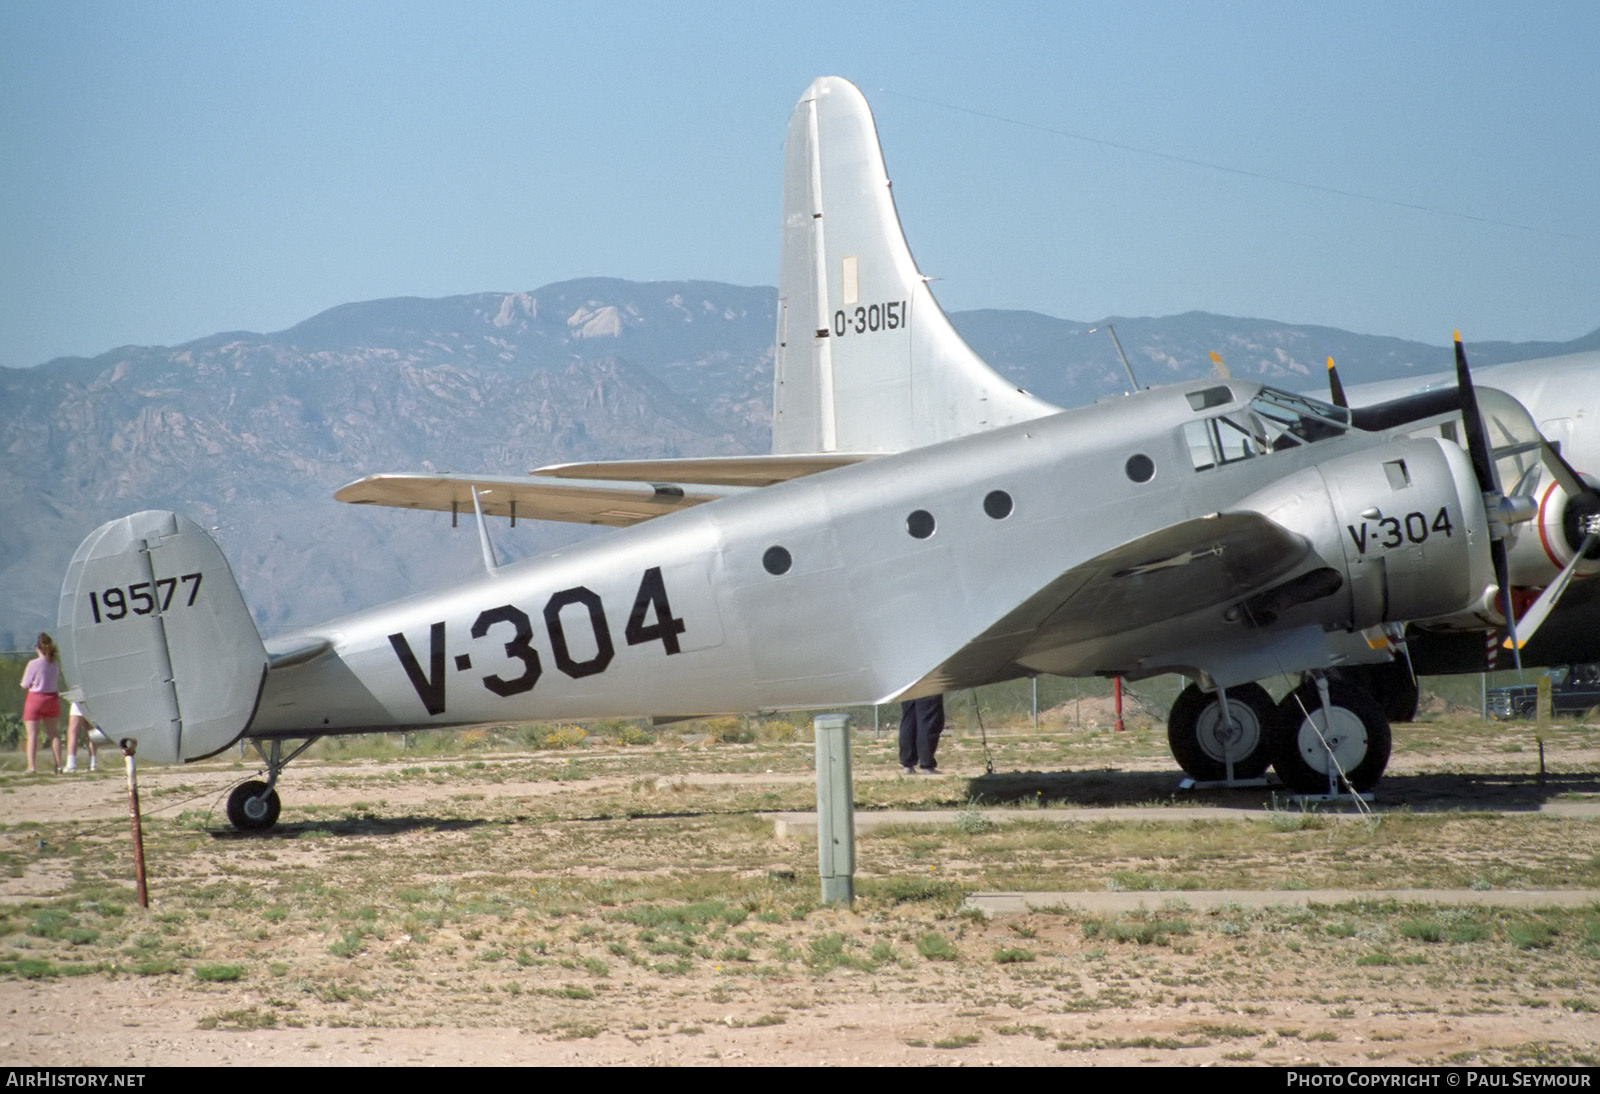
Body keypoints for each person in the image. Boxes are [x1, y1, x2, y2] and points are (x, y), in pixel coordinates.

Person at [20, 633, 63, 775]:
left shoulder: (33, 664)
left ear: (38, 647)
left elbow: (25, 684)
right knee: (54, 734)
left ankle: (32, 767)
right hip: (52, 698)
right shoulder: (55, 663)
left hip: (36, 698)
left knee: (32, 734)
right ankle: (59, 765)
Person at [898, 694, 944, 775]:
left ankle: (907, 764)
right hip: (927, 685)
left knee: (909, 720)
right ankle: (927, 764)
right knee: (929, 720)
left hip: (908, 685)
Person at [64, 702, 98, 773]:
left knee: (73, 732)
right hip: (91, 703)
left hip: (78, 703)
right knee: (91, 733)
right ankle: (93, 763)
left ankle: (71, 764)